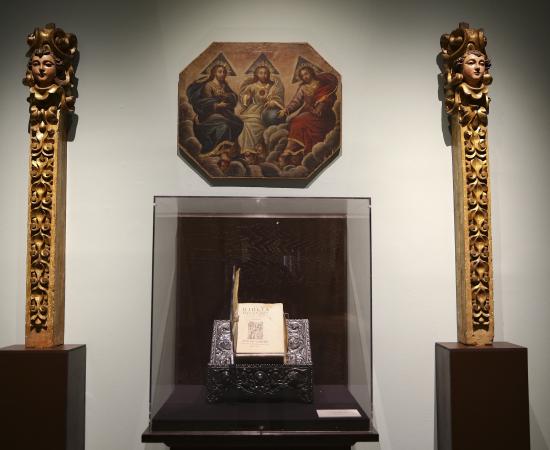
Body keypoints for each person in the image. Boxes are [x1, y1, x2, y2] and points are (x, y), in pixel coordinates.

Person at [278, 66, 338, 160]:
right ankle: (291, 150)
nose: (305, 77)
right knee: (295, 121)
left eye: (306, 74)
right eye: (302, 76)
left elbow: (331, 97)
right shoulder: (303, 88)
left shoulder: (323, 84)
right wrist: (286, 110)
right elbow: (296, 102)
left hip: (324, 115)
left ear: (311, 73)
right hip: (309, 112)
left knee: (299, 121)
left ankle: (290, 150)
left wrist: (322, 104)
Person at [186, 64, 243, 154]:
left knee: (239, 123)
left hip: (224, 113)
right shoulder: (208, 85)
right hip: (208, 115)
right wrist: (216, 105)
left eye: (224, 72)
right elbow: (205, 102)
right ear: (214, 73)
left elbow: (233, 98)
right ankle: (216, 150)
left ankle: (228, 148)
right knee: (225, 125)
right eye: (220, 72)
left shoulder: (224, 85)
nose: (222, 74)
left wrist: (228, 96)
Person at [238, 65, 284, 154]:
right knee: (248, 124)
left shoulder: (272, 86)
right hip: (253, 110)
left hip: (267, 111)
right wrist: (246, 97)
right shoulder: (252, 86)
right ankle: (248, 150)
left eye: (266, 73)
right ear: (257, 74)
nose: (264, 75)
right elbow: (243, 97)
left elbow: (277, 98)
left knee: (259, 124)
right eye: (261, 73)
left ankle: (258, 149)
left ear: (268, 74)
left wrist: (273, 101)